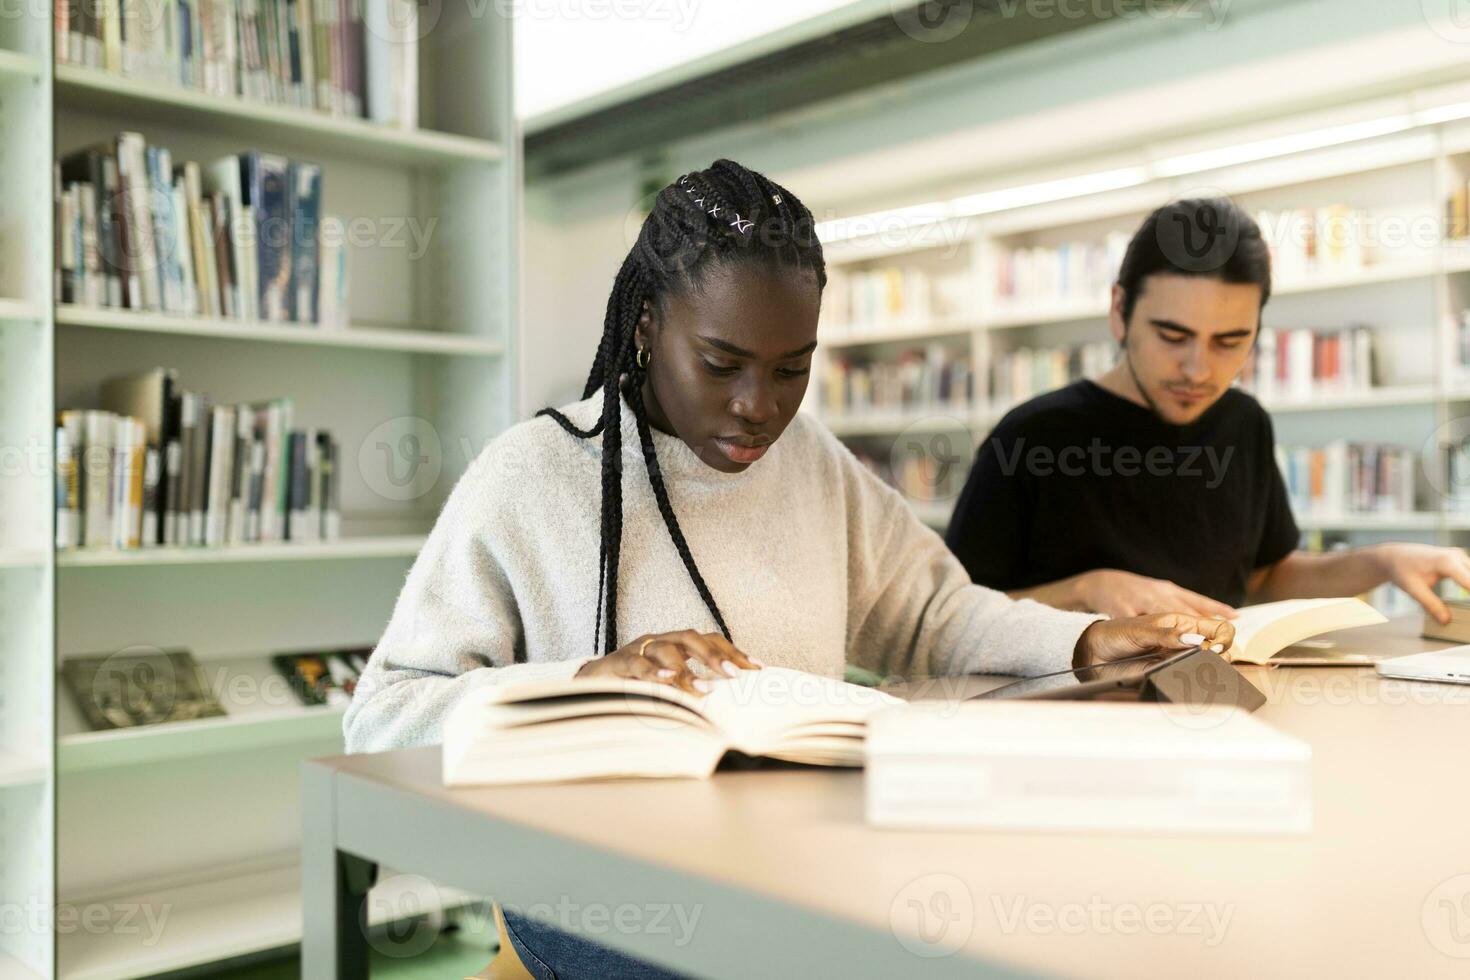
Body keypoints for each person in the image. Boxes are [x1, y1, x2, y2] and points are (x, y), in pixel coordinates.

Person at [343, 161, 1234, 979]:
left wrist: (1082, 640)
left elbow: (933, 617)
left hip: (798, 862)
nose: (757, 407)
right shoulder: (534, 476)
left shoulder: (811, 462)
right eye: (722, 363)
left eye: (791, 369)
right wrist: (585, 680)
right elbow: (383, 717)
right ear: (648, 323)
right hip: (594, 892)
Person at [946, 198, 1470, 622]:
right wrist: (1088, 590)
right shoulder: (1032, 436)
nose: (1198, 370)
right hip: (1064, 717)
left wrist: (1380, 561)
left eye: (1229, 341)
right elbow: (950, 617)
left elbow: (1264, 579)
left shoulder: (1244, 423)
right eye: (1173, 336)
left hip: (1220, 702)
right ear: (1119, 311)